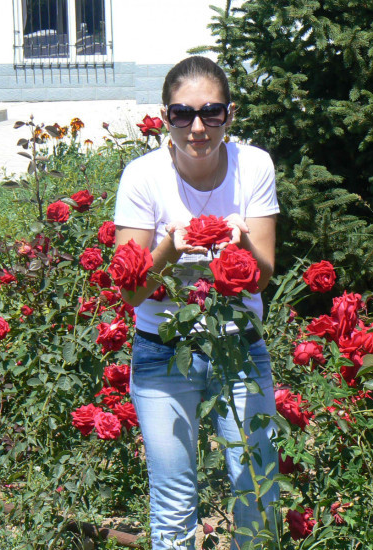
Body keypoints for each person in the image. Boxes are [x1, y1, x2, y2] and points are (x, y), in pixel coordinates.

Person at [114, 56, 279, 549]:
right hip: (163, 350)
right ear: (166, 117)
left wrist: (242, 244)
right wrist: (171, 247)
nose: (198, 127)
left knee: (257, 489)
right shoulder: (142, 177)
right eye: (183, 114)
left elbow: (262, 277)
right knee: (173, 501)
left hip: (239, 346)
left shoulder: (254, 166)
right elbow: (131, 291)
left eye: (212, 112)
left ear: (230, 113)